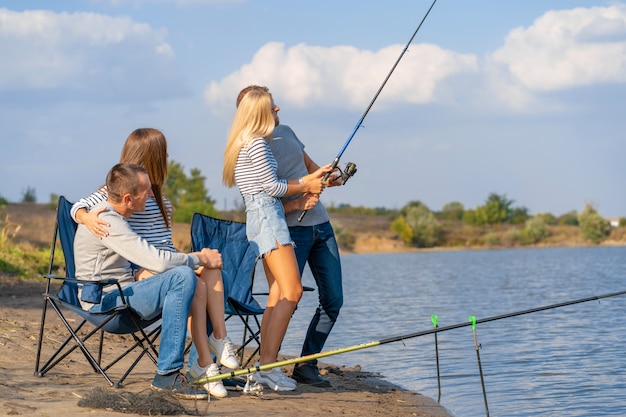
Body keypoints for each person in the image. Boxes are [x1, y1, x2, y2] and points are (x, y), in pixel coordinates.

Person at [71, 128, 238, 398]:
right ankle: (167, 375)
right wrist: (197, 258)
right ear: (128, 197)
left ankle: (204, 365)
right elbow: (154, 259)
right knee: (183, 277)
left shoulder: (123, 211)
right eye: (146, 191)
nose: (151, 196)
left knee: (205, 277)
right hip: (106, 302)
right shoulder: (106, 219)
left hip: (125, 290)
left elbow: (158, 252)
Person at [222, 87, 330, 391]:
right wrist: (307, 183)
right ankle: (268, 367)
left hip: (263, 216)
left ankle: (263, 367)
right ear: (260, 112)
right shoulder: (256, 144)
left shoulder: (248, 142)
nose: (277, 110)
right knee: (292, 291)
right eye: (272, 107)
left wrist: (310, 179)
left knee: (276, 293)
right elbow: (273, 187)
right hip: (268, 216)